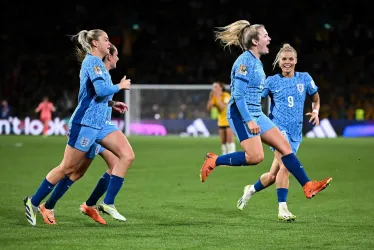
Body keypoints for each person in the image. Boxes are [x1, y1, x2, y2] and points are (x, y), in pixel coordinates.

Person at [199, 20, 331, 202]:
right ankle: (215, 160)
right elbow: (237, 95)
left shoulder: (257, 62)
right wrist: (250, 120)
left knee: (285, 148)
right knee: (256, 157)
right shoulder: (245, 61)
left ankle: (308, 185)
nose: (269, 39)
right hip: (240, 113)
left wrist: (256, 117)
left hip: (256, 113)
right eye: (265, 35)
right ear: (255, 41)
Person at [23, 29, 132, 226]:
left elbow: (96, 96)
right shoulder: (92, 63)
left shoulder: (98, 64)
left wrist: (112, 104)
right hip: (85, 124)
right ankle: (34, 202)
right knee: (68, 168)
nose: (109, 43)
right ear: (94, 43)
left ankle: (107, 203)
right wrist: (119, 87)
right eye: (106, 40)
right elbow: (99, 90)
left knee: (126, 155)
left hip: (100, 125)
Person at [236, 43, 322, 221]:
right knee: (285, 166)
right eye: (284, 59)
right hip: (276, 130)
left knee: (273, 176)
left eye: (291, 59)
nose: (287, 62)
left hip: (296, 133)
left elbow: (315, 97)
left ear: (296, 60)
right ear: (279, 61)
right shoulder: (271, 81)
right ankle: (282, 209)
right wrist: (251, 117)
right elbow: (254, 98)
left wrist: (315, 111)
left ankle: (250, 190)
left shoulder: (305, 79)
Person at [207, 81, 236, 154]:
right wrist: (210, 98)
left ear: (221, 88)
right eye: (213, 87)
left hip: (229, 121)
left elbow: (222, 107)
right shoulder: (214, 97)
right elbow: (209, 108)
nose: (214, 88)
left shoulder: (226, 95)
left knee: (229, 141)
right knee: (223, 142)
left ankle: (232, 157)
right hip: (221, 122)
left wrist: (218, 97)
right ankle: (225, 157)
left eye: (216, 87)